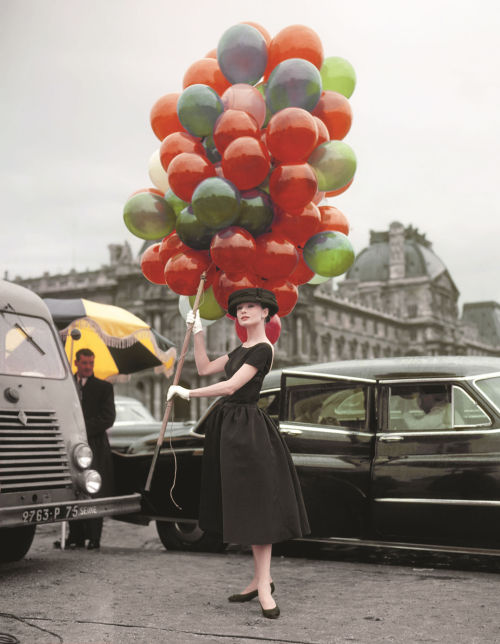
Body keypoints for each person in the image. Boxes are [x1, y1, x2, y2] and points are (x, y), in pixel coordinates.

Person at [167, 288, 310, 619]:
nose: (243, 311)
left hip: (249, 431)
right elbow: (203, 367)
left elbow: (231, 387)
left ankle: (263, 586)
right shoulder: (239, 349)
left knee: (257, 505)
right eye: (240, 308)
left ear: (265, 313)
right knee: (243, 505)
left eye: (251, 307)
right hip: (228, 430)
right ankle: (261, 580)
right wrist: (198, 330)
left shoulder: (263, 349)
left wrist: (188, 393)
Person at [67, 348, 116, 549]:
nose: (88, 367)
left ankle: (94, 537)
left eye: (91, 363)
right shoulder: (67, 385)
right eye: (84, 363)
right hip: (71, 446)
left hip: (95, 446)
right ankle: (75, 536)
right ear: (77, 363)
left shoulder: (104, 387)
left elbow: (108, 417)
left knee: (94, 490)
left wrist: (82, 427)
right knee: (73, 488)